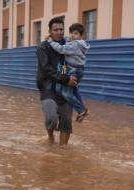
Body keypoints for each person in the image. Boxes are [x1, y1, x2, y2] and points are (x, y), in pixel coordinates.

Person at [36, 17, 78, 146]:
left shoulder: (69, 45)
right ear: (50, 31)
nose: (59, 32)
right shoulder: (43, 47)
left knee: (66, 121)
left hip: (66, 88)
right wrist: (66, 79)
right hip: (48, 87)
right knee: (51, 118)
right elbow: (46, 68)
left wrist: (75, 78)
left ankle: (63, 151)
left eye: (61, 29)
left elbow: (78, 61)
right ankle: (50, 136)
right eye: (56, 30)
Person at [47, 23, 90, 122]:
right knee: (73, 89)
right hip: (69, 67)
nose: (72, 35)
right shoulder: (79, 43)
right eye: (71, 33)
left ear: (80, 36)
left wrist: (50, 41)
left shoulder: (74, 44)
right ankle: (83, 108)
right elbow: (67, 40)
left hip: (72, 69)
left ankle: (81, 110)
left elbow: (61, 49)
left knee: (65, 93)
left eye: (75, 34)